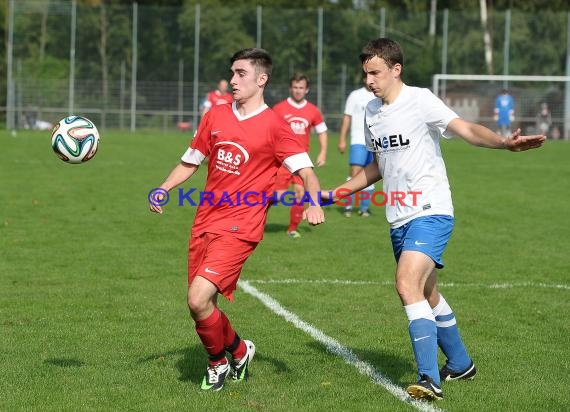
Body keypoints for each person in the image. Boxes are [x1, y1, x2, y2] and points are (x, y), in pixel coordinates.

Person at [322, 38, 545, 401]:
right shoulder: (371, 113)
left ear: (396, 69)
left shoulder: (420, 99)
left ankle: (428, 380)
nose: (369, 81)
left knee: (406, 283)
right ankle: (460, 363)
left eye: (376, 72)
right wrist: (340, 191)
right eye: (366, 74)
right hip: (398, 216)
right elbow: (378, 165)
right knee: (427, 292)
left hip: (431, 209)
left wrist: (504, 143)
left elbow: (467, 129)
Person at [149, 48, 325, 392]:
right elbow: (191, 160)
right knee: (203, 306)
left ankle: (217, 364)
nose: (233, 80)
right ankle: (240, 351)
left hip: (241, 226)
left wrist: (314, 204)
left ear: (262, 79)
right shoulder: (215, 116)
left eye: (241, 73)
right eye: (232, 72)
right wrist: (164, 187)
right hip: (205, 221)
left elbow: (307, 172)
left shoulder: (276, 125)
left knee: (198, 298)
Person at [272, 73, 328, 239]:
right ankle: (255, 221)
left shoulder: (313, 111)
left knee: (299, 193)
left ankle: (292, 229)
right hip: (281, 160)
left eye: (301, 88)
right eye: (295, 87)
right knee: (276, 196)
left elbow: (322, 131)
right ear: (290, 88)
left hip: (301, 161)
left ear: (307, 90)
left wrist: (323, 151)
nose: (298, 91)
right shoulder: (279, 108)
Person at [338, 75, 376, 217]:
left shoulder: (379, 95)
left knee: (371, 173)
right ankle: (348, 206)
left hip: (374, 142)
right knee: (355, 172)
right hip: (358, 140)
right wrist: (342, 139)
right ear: (363, 79)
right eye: (367, 77)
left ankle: (364, 209)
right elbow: (347, 117)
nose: (370, 80)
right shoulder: (355, 95)